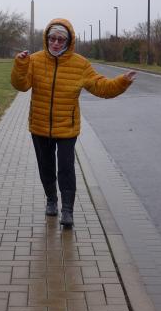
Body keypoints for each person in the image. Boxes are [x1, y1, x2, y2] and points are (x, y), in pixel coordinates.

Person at [11, 18, 136, 228]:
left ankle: (67, 210)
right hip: (40, 125)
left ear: (68, 41)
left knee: (66, 168)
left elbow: (101, 87)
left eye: (60, 39)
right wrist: (21, 65)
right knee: (46, 167)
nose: (55, 43)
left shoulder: (80, 64)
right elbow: (20, 85)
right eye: (52, 38)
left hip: (67, 128)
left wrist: (122, 82)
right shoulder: (34, 60)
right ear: (46, 38)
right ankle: (51, 200)